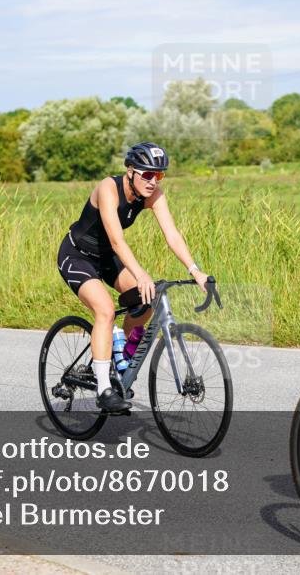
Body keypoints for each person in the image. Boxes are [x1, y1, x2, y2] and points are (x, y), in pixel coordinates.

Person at [57, 142, 210, 414]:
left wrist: (194, 269)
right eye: (147, 175)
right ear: (130, 171)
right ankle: (104, 391)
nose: (153, 181)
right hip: (77, 255)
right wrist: (141, 274)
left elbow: (172, 235)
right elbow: (117, 241)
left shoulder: (152, 195)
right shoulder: (108, 188)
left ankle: (118, 356)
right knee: (105, 310)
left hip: (106, 260)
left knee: (146, 303)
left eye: (159, 175)